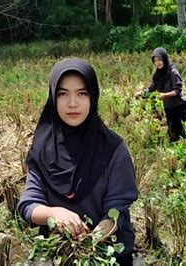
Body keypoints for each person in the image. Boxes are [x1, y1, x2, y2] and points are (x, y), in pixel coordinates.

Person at [17, 59, 138, 265]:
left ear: (93, 96)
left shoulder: (113, 149)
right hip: (60, 254)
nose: (72, 103)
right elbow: (29, 206)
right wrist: (54, 213)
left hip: (108, 254)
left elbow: (116, 211)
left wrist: (92, 242)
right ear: (53, 98)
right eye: (63, 94)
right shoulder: (43, 149)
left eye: (82, 93)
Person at [136, 47, 186, 142]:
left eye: (160, 60)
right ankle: (176, 149)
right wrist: (142, 94)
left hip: (178, 105)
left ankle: (183, 148)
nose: (158, 63)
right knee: (171, 130)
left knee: (178, 131)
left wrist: (165, 95)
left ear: (164, 59)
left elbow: (177, 91)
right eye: (155, 60)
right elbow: (152, 88)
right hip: (168, 106)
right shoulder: (158, 75)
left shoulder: (173, 72)